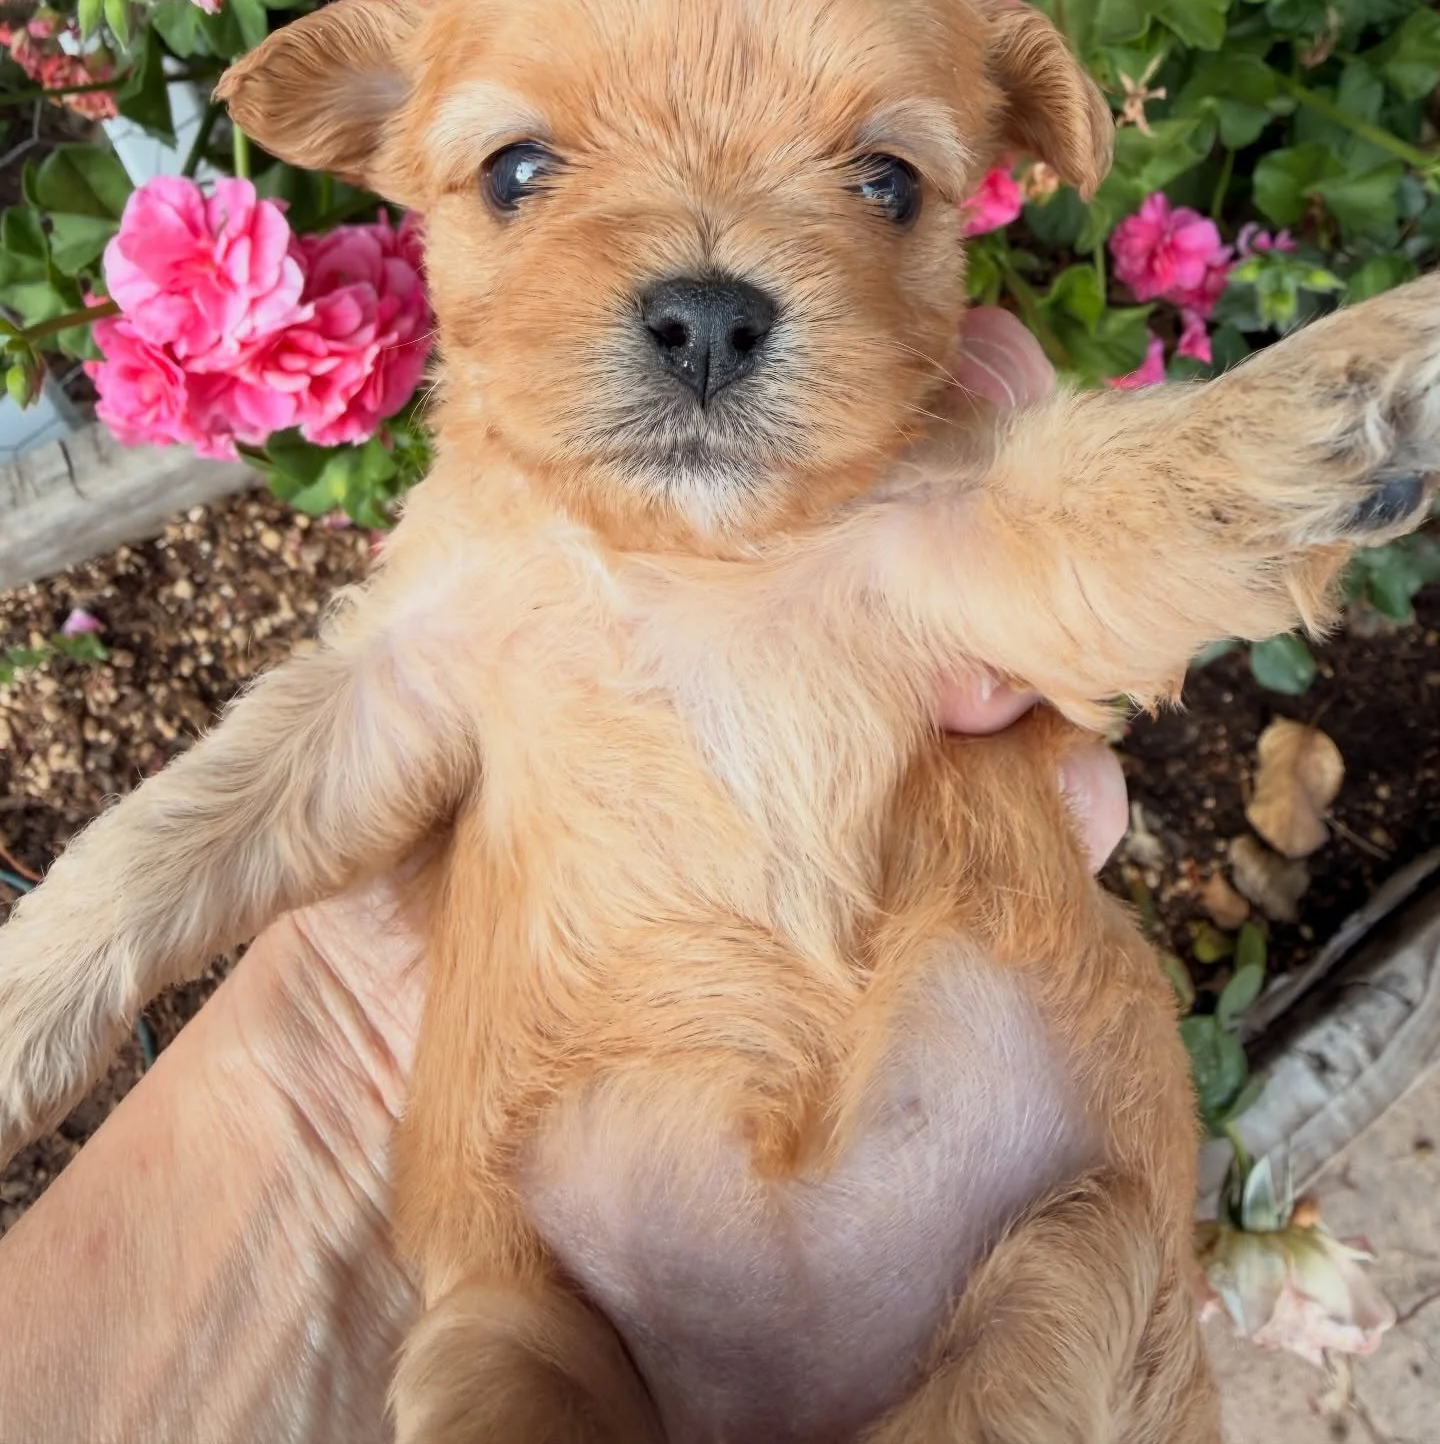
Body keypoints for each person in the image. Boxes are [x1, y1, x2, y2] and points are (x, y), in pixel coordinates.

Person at [0, 310, 1130, 1444]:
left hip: (974, 1270)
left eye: (880, 206)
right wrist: (68, 968)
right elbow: (336, 738)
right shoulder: (483, 537)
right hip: (572, 1277)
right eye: (523, 200)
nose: (702, 324)